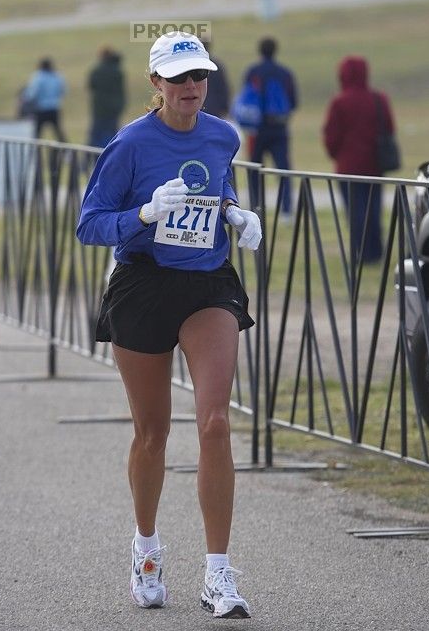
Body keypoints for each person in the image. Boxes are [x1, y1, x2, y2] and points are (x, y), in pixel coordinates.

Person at [76, 32, 262, 619]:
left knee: (214, 423)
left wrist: (234, 210)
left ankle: (218, 573)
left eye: (199, 77)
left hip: (207, 283)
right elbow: (90, 224)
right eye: (179, 79)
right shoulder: (129, 145)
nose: (191, 89)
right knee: (153, 433)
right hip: (143, 284)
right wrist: (145, 214)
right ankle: (146, 550)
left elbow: (218, 180)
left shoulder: (223, 134)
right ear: (155, 83)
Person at [323, 55, 396, 264]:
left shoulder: (340, 101)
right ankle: (376, 251)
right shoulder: (379, 99)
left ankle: (361, 253)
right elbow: (389, 127)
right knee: (374, 209)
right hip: (375, 164)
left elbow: (332, 136)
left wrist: (337, 153)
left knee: (355, 212)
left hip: (348, 166)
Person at [241, 37, 298, 218]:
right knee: (282, 169)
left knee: (255, 169)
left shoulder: (253, 72)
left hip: (256, 129)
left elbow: (247, 99)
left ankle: (256, 208)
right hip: (279, 128)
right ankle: (287, 210)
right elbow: (294, 102)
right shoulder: (285, 73)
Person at [87, 47, 126, 147]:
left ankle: (91, 158)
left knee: (95, 135)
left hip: (99, 108)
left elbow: (91, 85)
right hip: (114, 108)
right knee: (112, 134)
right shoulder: (117, 71)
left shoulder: (98, 71)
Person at [25, 58, 67, 141]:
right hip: (54, 107)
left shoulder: (38, 77)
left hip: (41, 108)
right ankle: (66, 151)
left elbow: (32, 93)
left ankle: (36, 152)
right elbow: (63, 90)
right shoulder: (57, 76)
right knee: (58, 132)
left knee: (37, 134)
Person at [201, 40, 231, 118]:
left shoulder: (192, 66)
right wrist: (225, 107)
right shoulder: (216, 66)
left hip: (198, 106)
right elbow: (224, 88)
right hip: (214, 107)